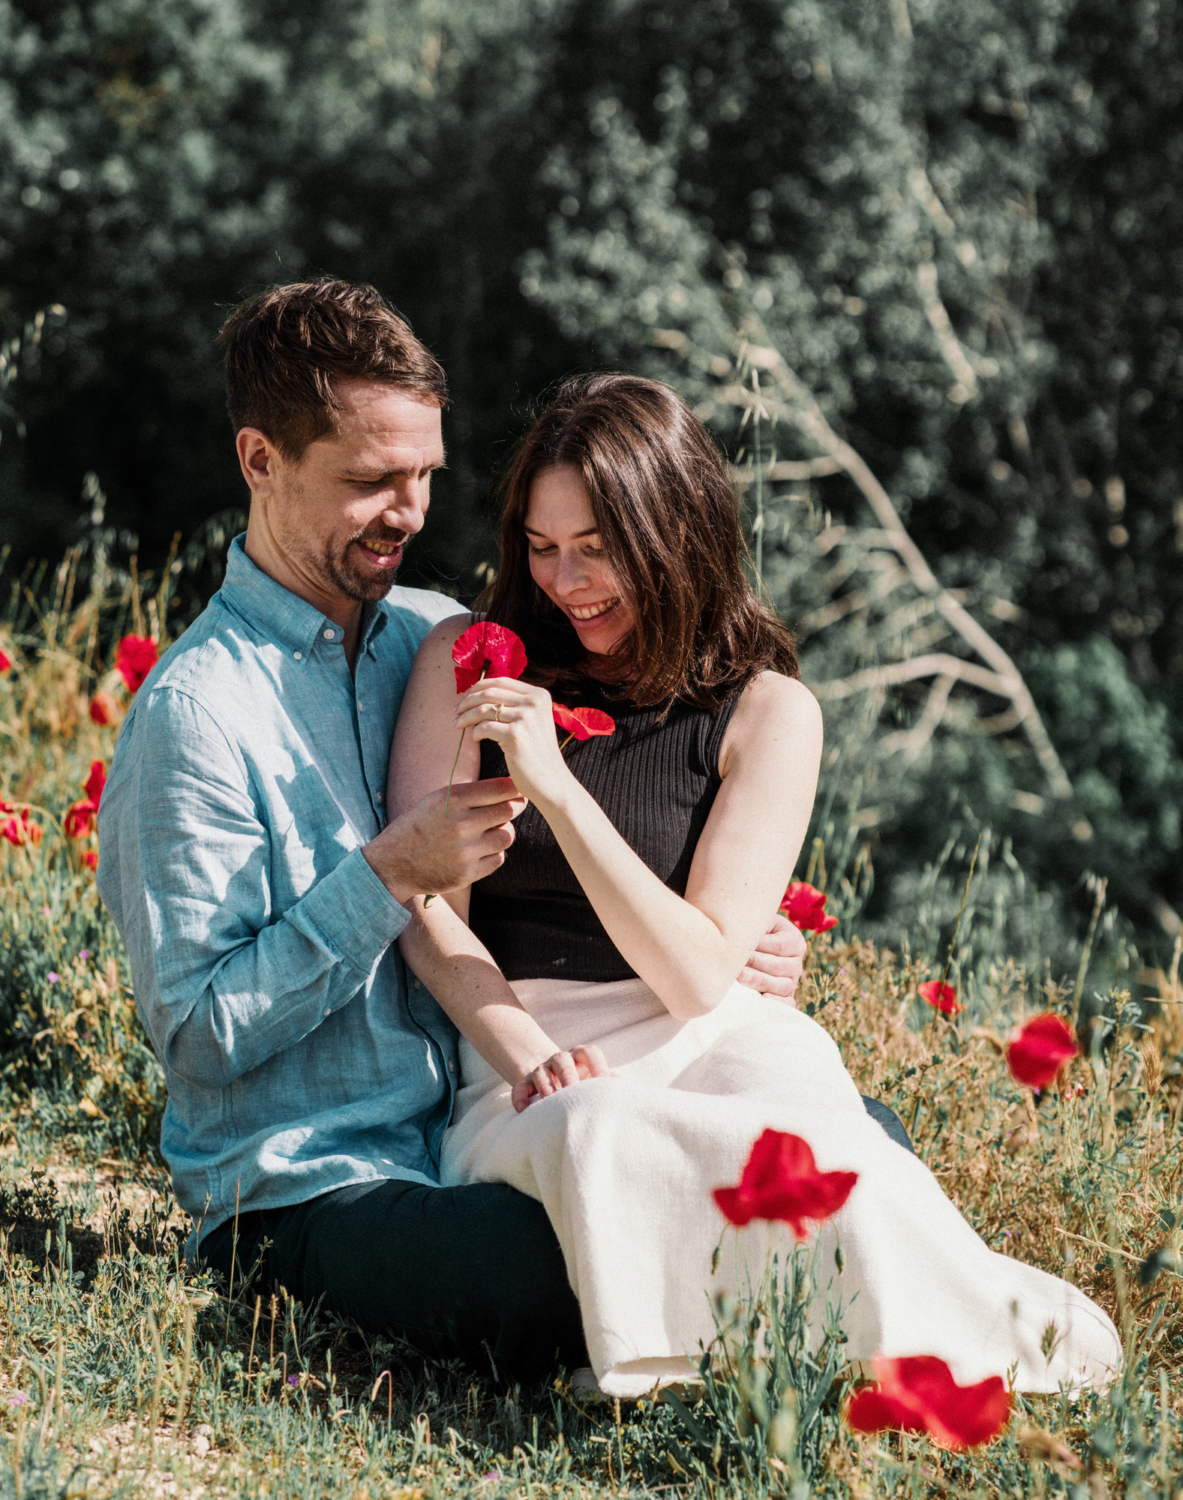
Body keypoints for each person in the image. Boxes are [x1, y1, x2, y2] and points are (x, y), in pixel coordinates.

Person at [95, 278, 807, 1384]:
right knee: (558, 1271)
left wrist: (744, 941)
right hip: (312, 1188)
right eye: (372, 480)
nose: (412, 512)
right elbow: (196, 1035)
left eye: (424, 474)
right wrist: (382, 879)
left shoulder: (438, 640)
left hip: (478, 1137)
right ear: (260, 462)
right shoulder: (194, 717)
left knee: (850, 1140)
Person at [387, 372, 1122, 1399]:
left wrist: (555, 788)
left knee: (811, 1148)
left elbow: (697, 977)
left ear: (672, 529)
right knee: (602, 1133)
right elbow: (429, 915)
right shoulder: (466, 664)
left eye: (595, 546)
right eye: (542, 547)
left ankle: (941, 1358)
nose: (566, 581)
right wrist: (531, 1056)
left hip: (713, 1030)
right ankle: (692, 1376)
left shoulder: (771, 711)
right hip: (528, 1038)